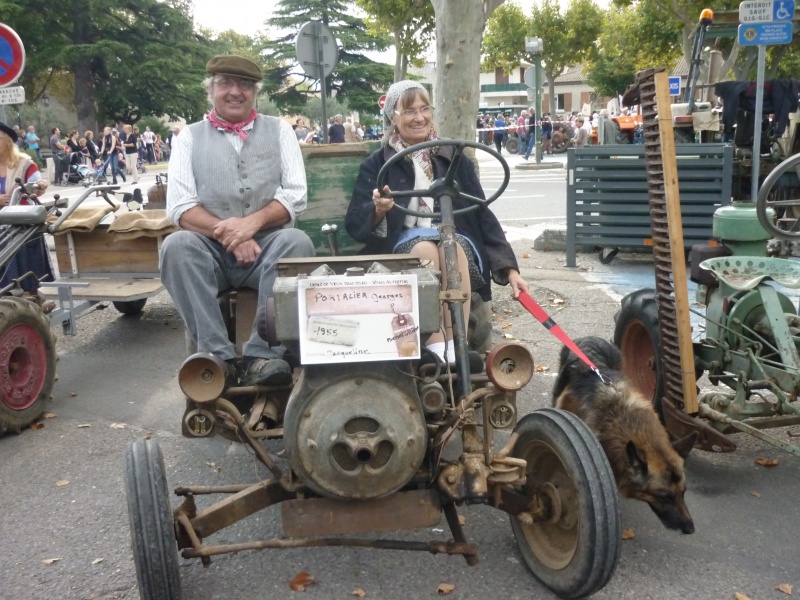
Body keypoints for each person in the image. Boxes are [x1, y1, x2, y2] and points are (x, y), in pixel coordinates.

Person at [345, 80, 528, 365]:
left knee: (449, 248)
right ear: (392, 117)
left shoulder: (452, 157)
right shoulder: (377, 164)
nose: (419, 117)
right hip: (403, 246)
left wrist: (510, 268)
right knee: (425, 252)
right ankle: (437, 346)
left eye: (424, 109)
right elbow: (355, 224)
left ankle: (457, 344)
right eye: (408, 111)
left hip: (455, 242)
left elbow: (482, 214)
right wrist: (379, 210)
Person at [162, 54, 315, 386]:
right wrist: (232, 234)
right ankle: (219, 357)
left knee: (297, 242)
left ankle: (263, 356)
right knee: (176, 247)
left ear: (255, 92)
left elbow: (295, 194)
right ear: (211, 90)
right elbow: (180, 206)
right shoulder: (188, 137)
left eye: (244, 85)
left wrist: (253, 225)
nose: (235, 92)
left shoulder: (280, 130)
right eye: (225, 84)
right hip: (211, 253)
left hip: (267, 250)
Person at [0, 122, 53, 293]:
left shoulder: (24, 163)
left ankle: (32, 296)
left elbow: (36, 185)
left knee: (25, 259)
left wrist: (39, 186)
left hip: (20, 223)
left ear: (8, 142)